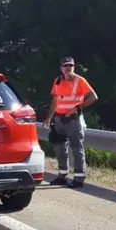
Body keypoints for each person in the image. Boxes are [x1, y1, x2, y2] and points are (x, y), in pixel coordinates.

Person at [43, 56, 98, 188]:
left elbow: (93, 97)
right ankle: (62, 176)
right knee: (60, 148)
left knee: (76, 148)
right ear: (61, 68)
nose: (68, 68)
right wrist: (49, 117)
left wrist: (78, 107)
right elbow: (55, 100)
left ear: (73, 67)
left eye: (70, 66)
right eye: (65, 66)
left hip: (73, 120)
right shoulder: (57, 81)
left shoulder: (80, 80)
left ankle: (79, 178)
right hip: (59, 119)